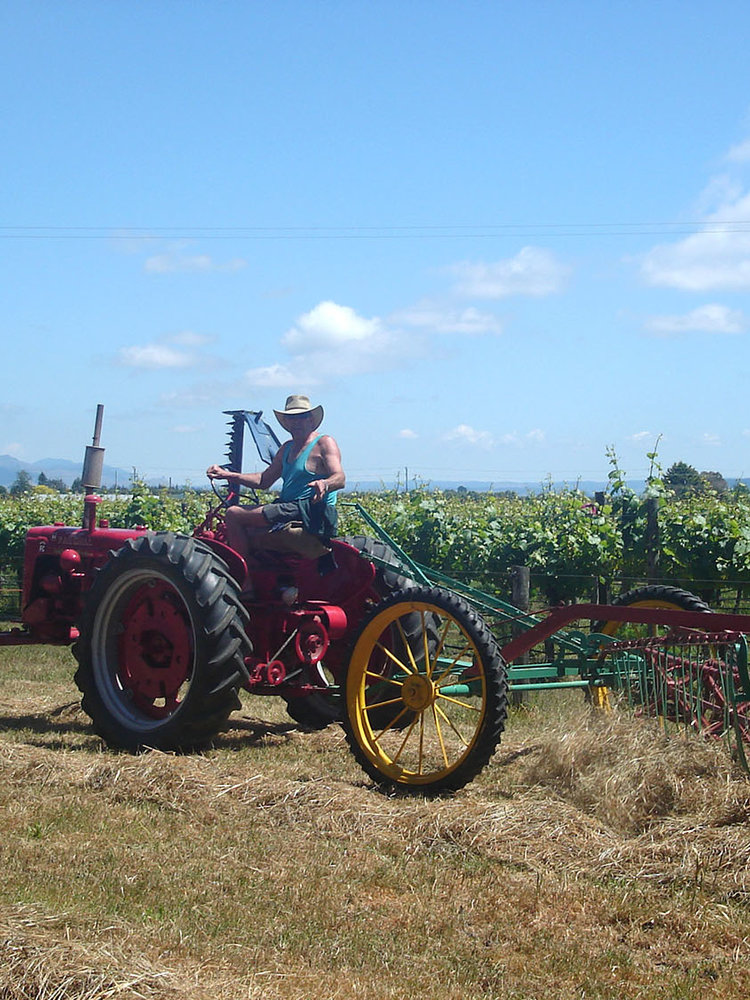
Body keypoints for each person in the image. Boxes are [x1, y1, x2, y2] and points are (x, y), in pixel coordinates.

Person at [206, 394, 345, 563]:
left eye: (301, 417)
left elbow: (340, 478)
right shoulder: (287, 448)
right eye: (291, 418)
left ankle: (246, 578)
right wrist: (227, 475)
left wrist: (325, 483)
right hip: (288, 507)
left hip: (309, 509)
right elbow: (263, 481)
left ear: (310, 420)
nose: (296, 422)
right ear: (286, 422)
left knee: (233, 514)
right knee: (250, 530)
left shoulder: (324, 443)